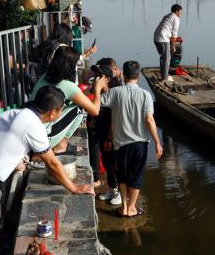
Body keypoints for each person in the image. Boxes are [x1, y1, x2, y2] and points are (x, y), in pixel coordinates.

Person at [0, 86, 94, 255]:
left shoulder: (11, 114)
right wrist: (74, 188)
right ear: (53, 112)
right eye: (60, 110)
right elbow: (53, 163)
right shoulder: (33, 125)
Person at [101, 61, 162, 217]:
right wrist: (157, 142)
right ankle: (132, 208)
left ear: (124, 76)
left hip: (120, 145)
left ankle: (124, 207)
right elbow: (149, 120)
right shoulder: (145, 95)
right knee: (136, 176)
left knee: (121, 176)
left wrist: (99, 85)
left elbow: (98, 101)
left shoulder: (116, 93)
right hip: (139, 144)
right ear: (139, 76)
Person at [29, 46, 107, 153]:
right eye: (75, 63)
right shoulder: (67, 86)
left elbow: (74, 96)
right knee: (80, 108)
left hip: (31, 131)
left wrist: (88, 91)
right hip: (44, 138)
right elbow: (94, 111)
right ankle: (62, 143)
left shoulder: (45, 76)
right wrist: (97, 89)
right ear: (70, 66)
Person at [89, 58, 123, 205]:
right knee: (108, 163)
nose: (96, 79)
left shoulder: (114, 94)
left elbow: (116, 119)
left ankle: (120, 193)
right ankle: (111, 188)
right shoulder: (100, 92)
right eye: (96, 75)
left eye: (99, 76)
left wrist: (110, 138)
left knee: (115, 163)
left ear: (107, 79)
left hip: (113, 135)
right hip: (101, 132)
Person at [153, 4, 182, 82]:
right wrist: (173, 47)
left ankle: (163, 75)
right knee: (166, 58)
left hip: (156, 38)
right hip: (163, 38)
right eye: (180, 12)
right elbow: (174, 35)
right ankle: (165, 78)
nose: (181, 13)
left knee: (163, 58)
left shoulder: (167, 16)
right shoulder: (176, 18)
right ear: (176, 11)